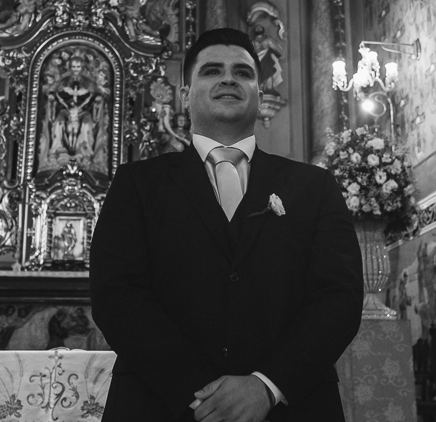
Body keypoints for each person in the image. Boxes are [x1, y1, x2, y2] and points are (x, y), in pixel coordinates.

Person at [90, 27, 363, 422]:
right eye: (212, 70)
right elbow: (117, 293)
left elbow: (339, 296)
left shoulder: (314, 186)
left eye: (243, 72)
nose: (229, 79)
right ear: (185, 95)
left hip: (290, 407)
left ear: (260, 94)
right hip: (158, 405)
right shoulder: (137, 184)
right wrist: (201, 396)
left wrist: (266, 386)